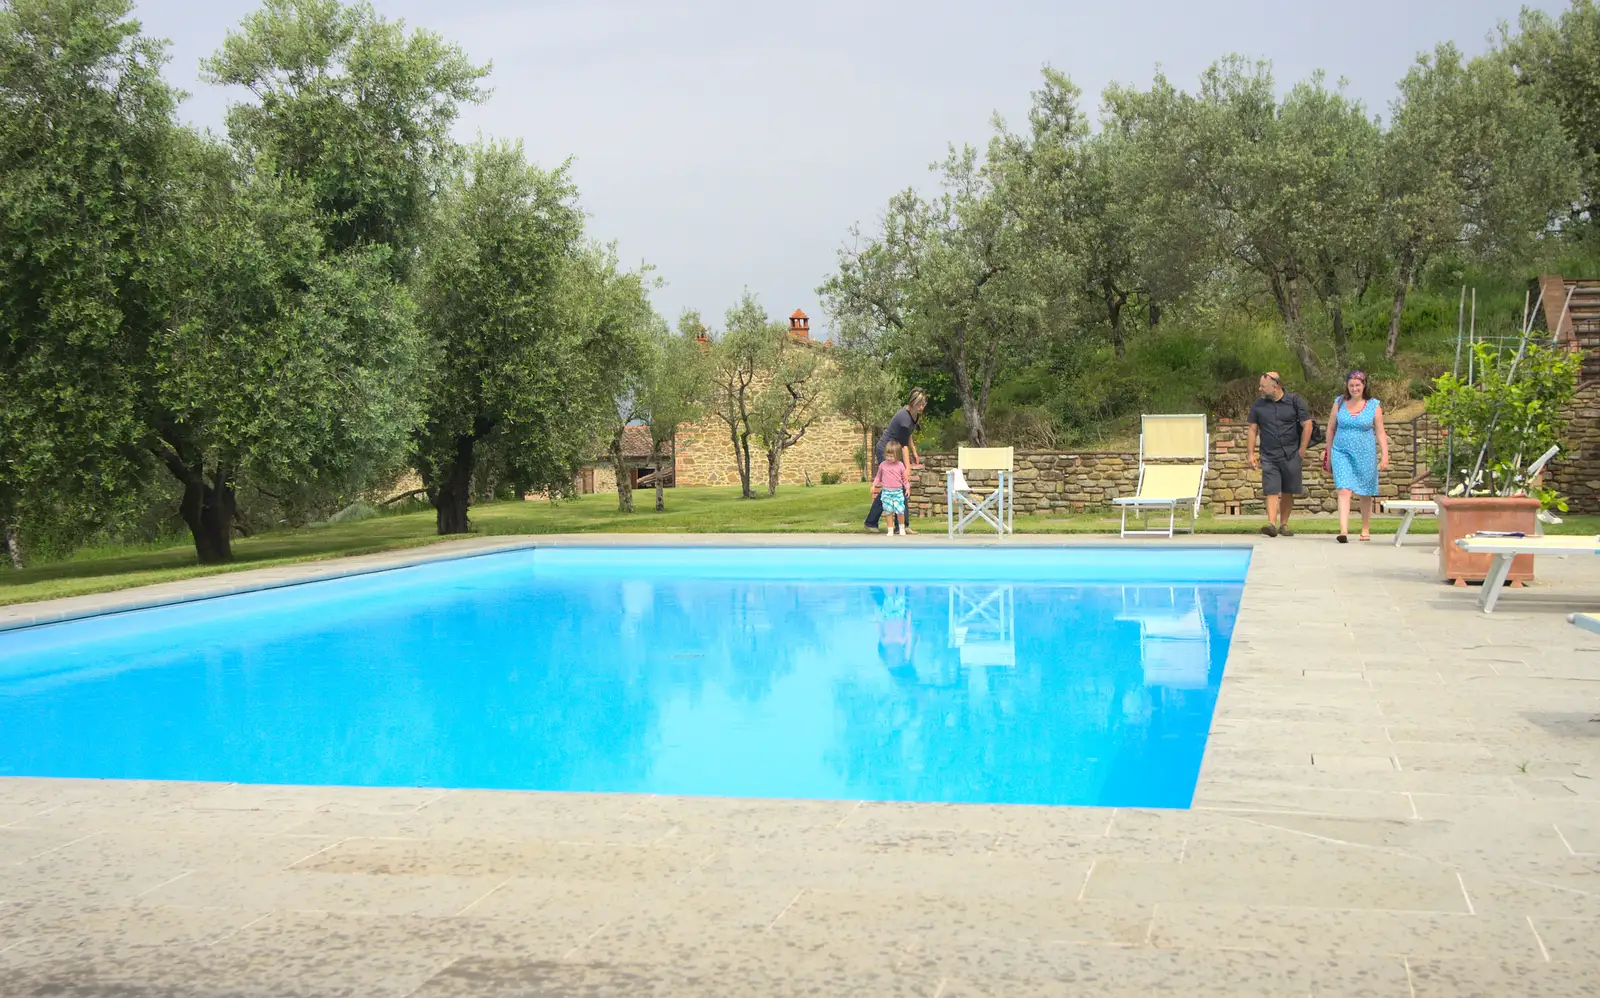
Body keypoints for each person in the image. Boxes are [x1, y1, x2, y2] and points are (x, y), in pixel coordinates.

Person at [1323, 369, 1388, 543]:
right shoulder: (1339, 402)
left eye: (1357, 385)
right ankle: (1343, 531)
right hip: (1341, 451)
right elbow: (1330, 428)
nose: (1354, 388)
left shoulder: (1374, 405)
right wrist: (1328, 453)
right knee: (1343, 489)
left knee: (1364, 492)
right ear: (1347, 386)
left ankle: (1365, 529)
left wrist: (1385, 455)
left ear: (1364, 385)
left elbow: (1380, 433)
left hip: (1365, 453)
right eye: (1351, 385)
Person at [1246, 371, 1313, 538]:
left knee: (1288, 490)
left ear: (1275, 386)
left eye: (1263, 386)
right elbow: (1252, 429)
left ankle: (1284, 524)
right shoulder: (1258, 405)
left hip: (1291, 453)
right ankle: (1271, 524)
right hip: (1269, 454)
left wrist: (1302, 450)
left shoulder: (1295, 401)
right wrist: (1251, 454)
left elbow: (1308, 425)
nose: (1260, 389)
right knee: (1271, 489)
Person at [865, 389, 927, 532]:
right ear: (912, 403)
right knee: (892, 486)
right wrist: (908, 468)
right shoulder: (904, 418)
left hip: (896, 450)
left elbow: (908, 436)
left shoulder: (914, 415)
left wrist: (915, 452)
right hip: (886, 450)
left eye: (923, 404)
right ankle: (876, 523)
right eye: (919, 404)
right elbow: (904, 445)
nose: (922, 407)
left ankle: (900, 526)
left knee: (897, 488)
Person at [872, 441, 911, 536]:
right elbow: (878, 477)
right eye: (888, 456)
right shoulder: (883, 465)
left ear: (897, 455)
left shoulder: (900, 465)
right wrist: (873, 485)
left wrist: (907, 488)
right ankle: (890, 530)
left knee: (900, 511)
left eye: (892, 456)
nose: (889, 458)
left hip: (898, 492)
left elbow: (904, 479)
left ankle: (901, 528)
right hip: (886, 492)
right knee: (888, 511)